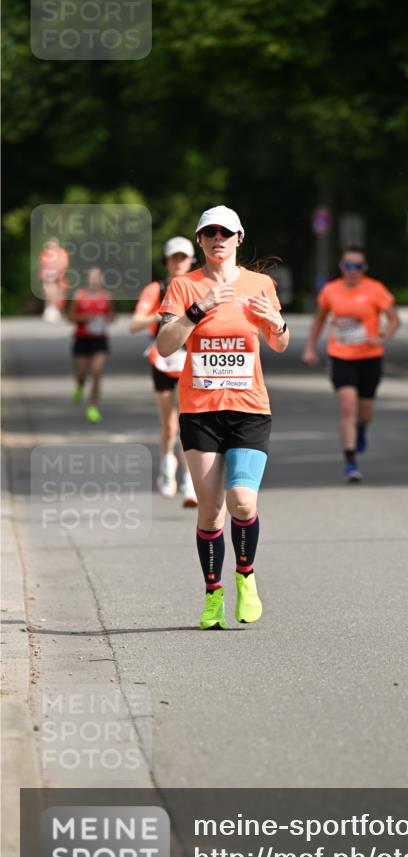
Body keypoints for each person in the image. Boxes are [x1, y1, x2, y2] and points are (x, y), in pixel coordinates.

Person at [156, 205, 289, 630]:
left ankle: (245, 578)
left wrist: (279, 324)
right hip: (201, 412)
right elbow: (164, 346)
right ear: (200, 241)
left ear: (239, 238)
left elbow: (280, 343)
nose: (218, 239)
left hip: (249, 408)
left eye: (225, 233)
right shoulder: (183, 286)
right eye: (209, 232)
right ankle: (213, 594)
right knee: (211, 511)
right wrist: (199, 309)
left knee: (242, 501)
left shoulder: (260, 284)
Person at [302, 247, 400, 481]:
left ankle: (362, 429)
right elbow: (319, 320)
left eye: (358, 266)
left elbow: (394, 319)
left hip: (369, 357)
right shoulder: (330, 290)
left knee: (365, 413)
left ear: (364, 269)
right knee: (348, 409)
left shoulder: (375, 290)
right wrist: (309, 348)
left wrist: (383, 334)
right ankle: (350, 463)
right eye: (349, 265)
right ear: (341, 267)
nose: (353, 271)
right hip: (340, 356)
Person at [130, 237, 197, 507]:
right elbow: (134, 324)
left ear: (192, 259)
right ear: (167, 260)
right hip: (163, 361)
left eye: (184, 257)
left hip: (192, 361)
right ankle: (167, 463)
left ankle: (189, 483)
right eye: (174, 257)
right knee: (169, 424)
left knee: (189, 423)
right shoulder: (155, 289)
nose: (179, 262)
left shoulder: (199, 287)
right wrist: (161, 315)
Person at [68, 266, 115, 423]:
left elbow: (112, 316)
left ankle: (92, 408)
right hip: (82, 339)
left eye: (97, 277)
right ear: (87, 279)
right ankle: (80, 387)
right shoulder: (79, 295)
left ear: (101, 279)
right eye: (92, 277)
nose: (94, 279)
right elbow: (70, 316)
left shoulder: (106, 296)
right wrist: (85, 317)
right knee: (82, 374)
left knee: (96, 372)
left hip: (99, 340)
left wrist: (105, 320)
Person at [39, 237, 69, 321]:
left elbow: (63, 264)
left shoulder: (61, 253)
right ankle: (49, 308)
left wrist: (58, 274)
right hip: (48, 277)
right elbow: (42, 265)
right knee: (47, 291)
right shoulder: (45, 253)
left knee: (58, 293)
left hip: (58, 278)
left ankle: (56, 310)